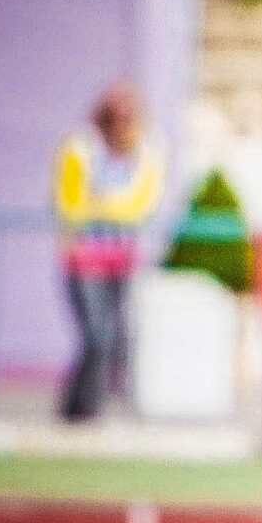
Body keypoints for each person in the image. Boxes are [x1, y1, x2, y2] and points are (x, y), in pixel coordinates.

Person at [53, 82, 163, 422]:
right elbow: (70, 204)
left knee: (115, 339)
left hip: (122, 260)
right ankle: (82, 410)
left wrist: (101, 205)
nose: (122, 125)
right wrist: (109, 209)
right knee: (96, 336)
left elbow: (142, 205)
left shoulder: (147, 149)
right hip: (82, 260)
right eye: (116, 118)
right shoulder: (81, 148)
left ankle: (85, 407)